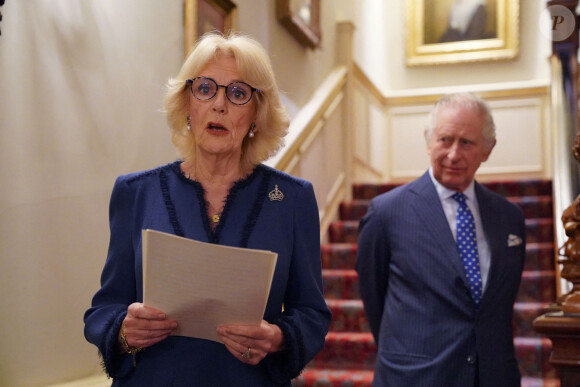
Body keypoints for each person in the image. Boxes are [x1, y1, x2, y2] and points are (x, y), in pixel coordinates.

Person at [84, 32, 331, 386]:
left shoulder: (291, 200)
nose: (219, 105)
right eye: (205, 88)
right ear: (187, 103)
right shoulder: (135, 193)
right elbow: (103, 308)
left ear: (257, 115)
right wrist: (123, 331)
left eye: (238, 93)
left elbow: (311, 314)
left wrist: (277, 338)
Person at [356, 93, 526, 386]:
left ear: (487, 149)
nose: (453, 154)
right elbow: (374, 299)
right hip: (416, 377)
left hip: (494, 376)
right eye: (445, 140)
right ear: (428, 141)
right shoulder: (386, 213)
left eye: (467, 143)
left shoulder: (510, 218)